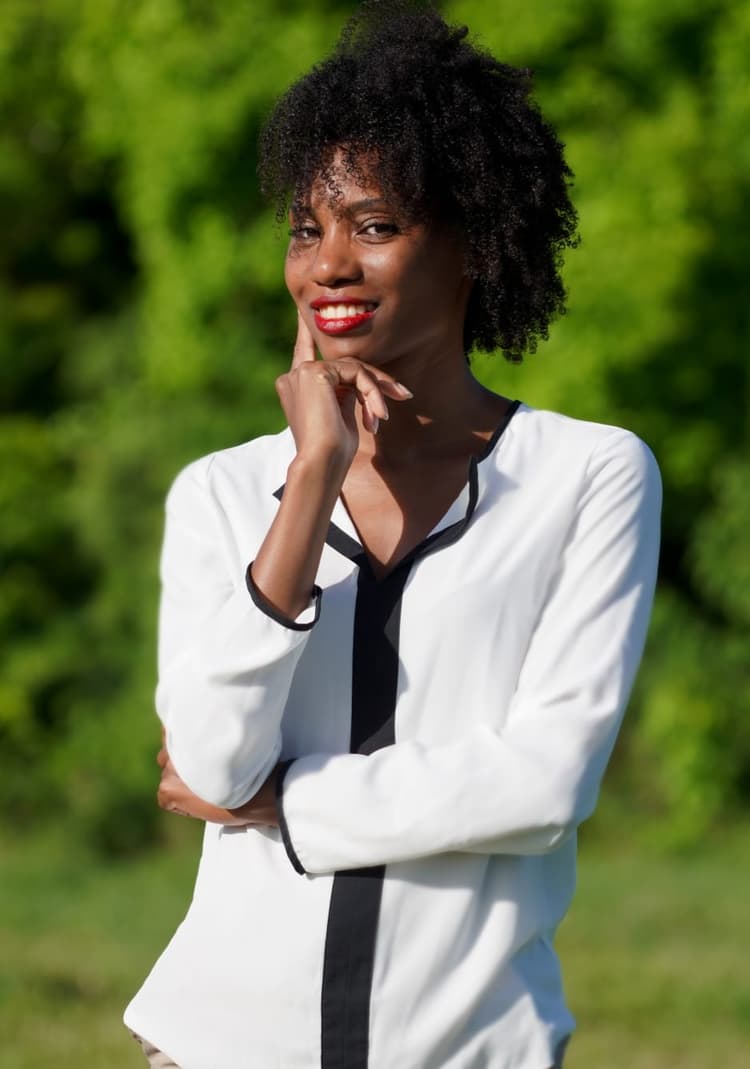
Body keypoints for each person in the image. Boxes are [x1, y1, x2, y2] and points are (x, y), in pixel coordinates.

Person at [124, 3, 661, 1067]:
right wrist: (312, 475)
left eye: (373, 226)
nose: (327, 264)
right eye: (306, 229)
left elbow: (546, 783)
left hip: (471, 1048)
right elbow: (214, 760)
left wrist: (288, 803)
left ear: (473, 241)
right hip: (216, 1047)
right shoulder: (223, 491)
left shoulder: (587, 475)